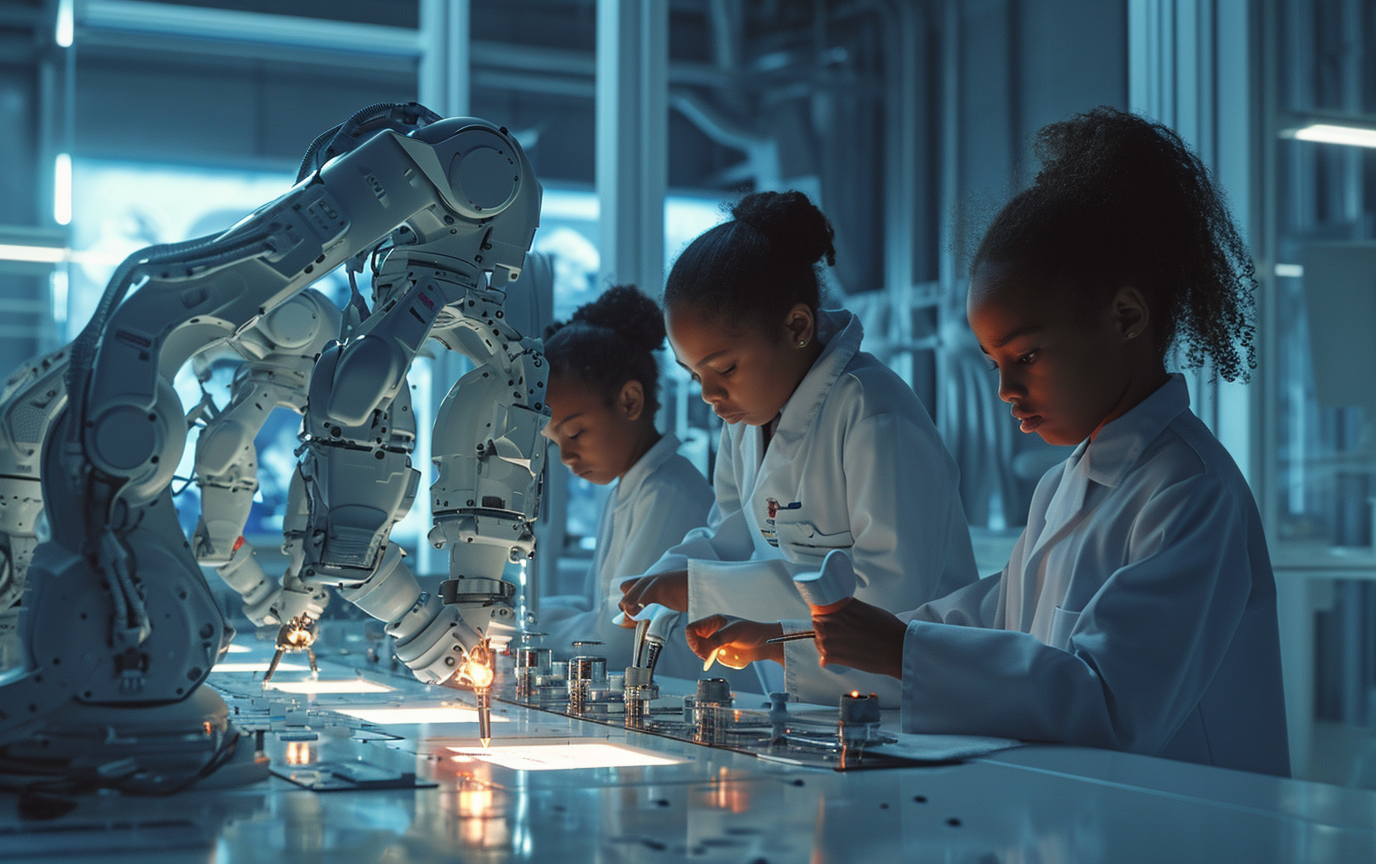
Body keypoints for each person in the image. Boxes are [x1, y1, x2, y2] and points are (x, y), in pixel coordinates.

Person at [809, 107, 1289, 776]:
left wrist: (901, 648)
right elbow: (993, 618)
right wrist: (807, 638)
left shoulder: (1192, 492)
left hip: (1195, 828)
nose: (1004, 387)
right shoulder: (1064, 485)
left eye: (1027, 355)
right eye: (993, 361)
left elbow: (1110, 702)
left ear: (1126, 317)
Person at [617, 191, 978, 704]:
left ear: (797, 327)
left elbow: (888, 593)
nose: (710, 394)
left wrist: (702, 587)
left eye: (725, 369)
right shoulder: (746, 420)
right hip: (808, 697)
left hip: (909, 701)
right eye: (695, 374)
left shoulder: (872, 411)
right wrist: (665, 576)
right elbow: (736, 534)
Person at [537, 286, 714, 670]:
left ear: (630, 401)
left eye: (576, 433)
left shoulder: (667, 493)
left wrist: (519, 632)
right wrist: (508, 616)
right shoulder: (631, 490)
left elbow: (619, 642)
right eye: (555, 443)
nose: (566, 456)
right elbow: (595, 608)